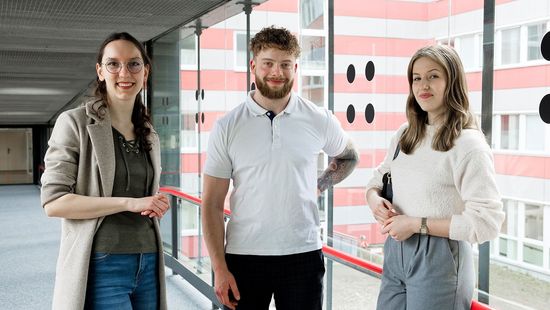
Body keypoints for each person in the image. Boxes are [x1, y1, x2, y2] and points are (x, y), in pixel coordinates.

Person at [202, 26, 359, 310]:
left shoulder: (318, 119)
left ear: (295, 67)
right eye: (268, 63)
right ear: (253, 66)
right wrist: (219, 268)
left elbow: (349, 157)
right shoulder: (227, 127)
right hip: (244, 256)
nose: (277, 72)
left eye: (285, 64)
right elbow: (211, 204)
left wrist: (320, 184)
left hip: (303, 254)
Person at [366, 45, 505, 310]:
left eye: (433, 76)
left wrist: (416, 224)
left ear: (452, 81)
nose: (423, 85)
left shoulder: (468, 145)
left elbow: (488, 222)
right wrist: (375, 203)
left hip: (440, 257)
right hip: (396, 251)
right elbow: (376, 182)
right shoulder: (405, 134)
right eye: (416, 78)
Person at [40, 32, 170, 310]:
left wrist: (154, 202)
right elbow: (53, 203)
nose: (124, 72)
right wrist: (129, 203)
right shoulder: (74, 123)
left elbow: (144, 195)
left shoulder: (149, 132)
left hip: (149, 258)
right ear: (100, 71)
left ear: (145, 72)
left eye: (134, 64)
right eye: (113, 64)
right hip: (102, 261)